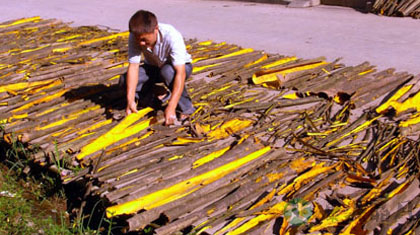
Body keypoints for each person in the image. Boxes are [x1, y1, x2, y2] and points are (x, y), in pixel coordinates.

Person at [121, 10, 195, 125]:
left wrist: (171, 106)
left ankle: (186, 108)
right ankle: (157, 95)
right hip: (153, 67)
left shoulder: (172, 35)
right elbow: (133, 67)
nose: (140, 43)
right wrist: (130, 100)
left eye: (144, 40)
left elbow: (180, 73)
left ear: (156, 29)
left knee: (167, 72)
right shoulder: (135, 35)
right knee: (124, 80)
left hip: (177, 68)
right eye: (138, 39)